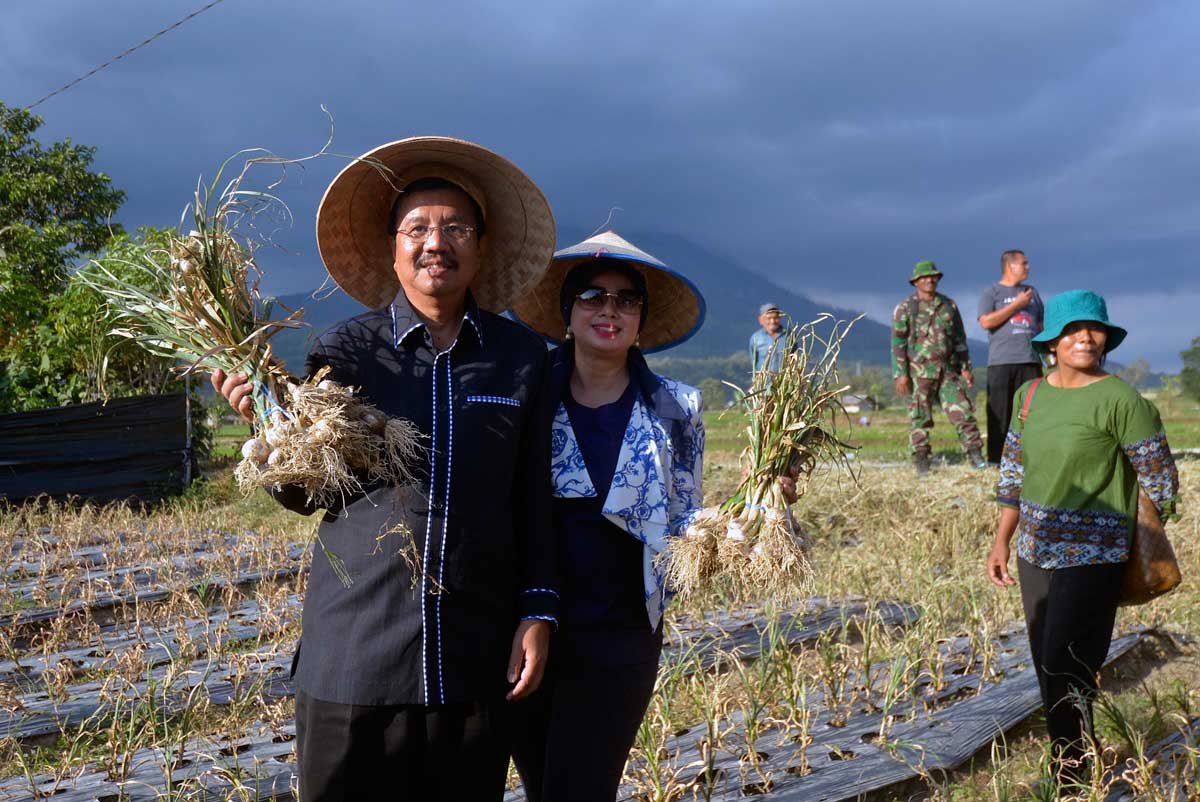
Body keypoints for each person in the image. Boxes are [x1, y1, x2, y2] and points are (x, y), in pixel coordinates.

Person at [211, 137, 559, 801]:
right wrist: (270, 429)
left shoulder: (521, 358)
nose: (437, 242)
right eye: (419, 228)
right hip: (356, 658)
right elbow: (306, 495)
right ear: (392, 246)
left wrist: (538, 612)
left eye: (456, 227)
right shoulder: (347, 350)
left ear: (481, 246)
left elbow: (533, 497)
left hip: (472, 658)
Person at [509, 230, 706, 801]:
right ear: (566, 312)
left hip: (621, 631)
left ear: (642, 318)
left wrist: (761, 511)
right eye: (592, 296)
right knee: (543, 780)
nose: (609, 310)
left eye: (626, 299)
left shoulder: (677, 406)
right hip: (526, 624)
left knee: (581, 787)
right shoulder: (526, 396)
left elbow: (685, 515)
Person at [986, 290, 1179, 792]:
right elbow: (1013, 474)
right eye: (1073, 329)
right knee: (1047, 664)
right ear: (1053, 341)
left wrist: (1117, 522)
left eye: (1094, 329)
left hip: (1095, 555)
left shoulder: (1122, 400)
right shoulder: (1030, 395)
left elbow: (1161, 483)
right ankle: (1074, 756)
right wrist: (1002, 540)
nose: (1085, 337)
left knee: (1064, 660)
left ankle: (1070, 776)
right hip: (1033, 550)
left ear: (1105, 339)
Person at [891, 260, 986, 473]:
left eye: (933, 276)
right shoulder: (906, 308)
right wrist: (901, 374)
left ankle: (976, 455)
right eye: (924, 277)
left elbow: (960, 339)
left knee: (964, 412)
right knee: (919, 418)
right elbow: (898, 343)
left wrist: (966, 367)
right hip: (919, 372)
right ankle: (922, 461)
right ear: (916, 281)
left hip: (947, 370)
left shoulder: (949, 306)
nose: (929, 280)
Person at [977, 249, 1044, 465]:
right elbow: (986, 322)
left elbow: (1041, 326)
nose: (1028, 267)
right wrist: (1016, 304)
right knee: (1000, 412)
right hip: (1002, 362)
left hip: (1031, 360)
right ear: (1010, 266)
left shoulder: (1032, 292)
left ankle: (1030, 458)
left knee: (1032, 412)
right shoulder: (992, 292)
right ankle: (996, 461)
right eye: (1024, 263)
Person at [750, 302, 787, 374]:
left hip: (785, 382)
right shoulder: (756, 338)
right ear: (761, 320)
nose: (772, 321)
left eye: (775, 318)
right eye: (769, 318)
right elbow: (754, 363)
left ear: (780, 318)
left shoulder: (789, 336)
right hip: (764, 383)